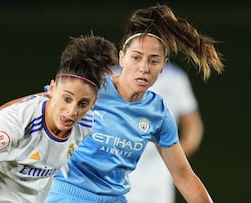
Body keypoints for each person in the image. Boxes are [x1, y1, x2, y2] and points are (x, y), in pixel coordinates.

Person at [44, 4, 224, 203]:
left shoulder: (158, 113)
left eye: (153, 61)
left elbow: (183, 175)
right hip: (65, 195)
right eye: (136, 57)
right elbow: (31, 108)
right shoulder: (92, 88)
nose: (144, 68)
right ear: (122, 58)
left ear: (163, 66)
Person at [0, 34, 118, 203]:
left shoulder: (85, 124)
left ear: (93, 104)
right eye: (66, 98)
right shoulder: (20, 122)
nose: (71, 111)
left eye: (83, 103)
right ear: (52, 90)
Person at [123, 62, 204, 203]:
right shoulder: (113, 75)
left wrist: (174, 159)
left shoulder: (175, 78)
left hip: (159, 175)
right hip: (121, 171)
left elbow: (192, 126)